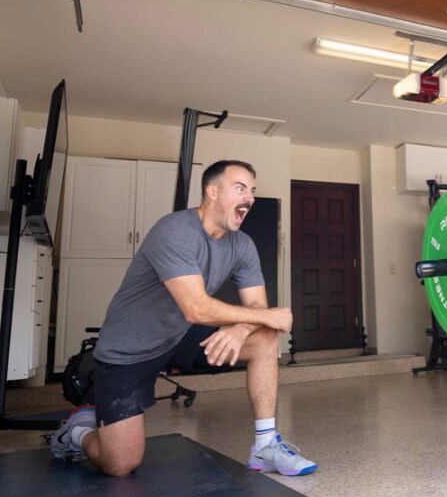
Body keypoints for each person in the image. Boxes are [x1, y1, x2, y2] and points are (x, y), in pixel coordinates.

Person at [49, 160, 317, 477]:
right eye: (240, 188)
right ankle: (77, 431)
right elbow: (197, 308)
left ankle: (265, 447)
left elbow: (258, 306)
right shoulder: (175, 230)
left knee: (264, 340)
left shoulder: (242, 245)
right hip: (128, 351)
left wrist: (241, 329)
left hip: (179, 336)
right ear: (212, 191)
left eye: (253, 190)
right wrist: (266, 316)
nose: (250, 198)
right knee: (120, 464)